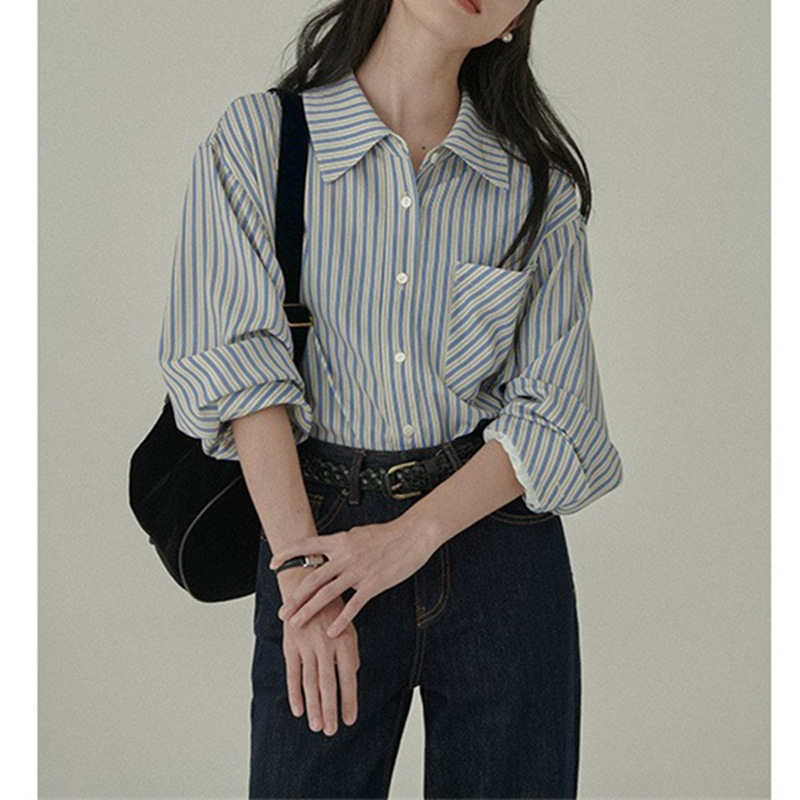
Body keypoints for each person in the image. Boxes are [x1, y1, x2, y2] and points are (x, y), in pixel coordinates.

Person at [158, 0, 624, 797]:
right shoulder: (264, 140)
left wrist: (408, 538)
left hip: (496, 548)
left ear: (516, 21)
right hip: (317, 541)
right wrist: (301, 572)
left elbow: (556, 410)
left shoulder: (532, 185)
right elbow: (238, 368)